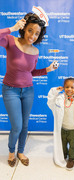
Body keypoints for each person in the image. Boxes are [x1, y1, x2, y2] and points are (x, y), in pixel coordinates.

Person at [0, 12, 58, 167]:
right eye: (30, 30)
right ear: (24, 29)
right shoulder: (11, 41)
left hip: (28, 91)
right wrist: (12, 28)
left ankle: (21, 151)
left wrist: (47, 69)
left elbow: (30, 72)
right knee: (17, 125)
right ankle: (11, 152)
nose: (33, 35)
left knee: (25, 125)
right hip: (10, 90)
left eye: (37, 33)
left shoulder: (35, 51)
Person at [47, 78, 74, 175]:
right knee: (62, 143)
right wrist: (55, 91)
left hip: (73, 129)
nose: (69, 89)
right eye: (67, 87)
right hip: (62, 128)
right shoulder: (59, 99)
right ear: (63, 88)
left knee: (72, 145)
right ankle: (63, 155)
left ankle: (71, 159)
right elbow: (50, 101)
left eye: (72, 87)